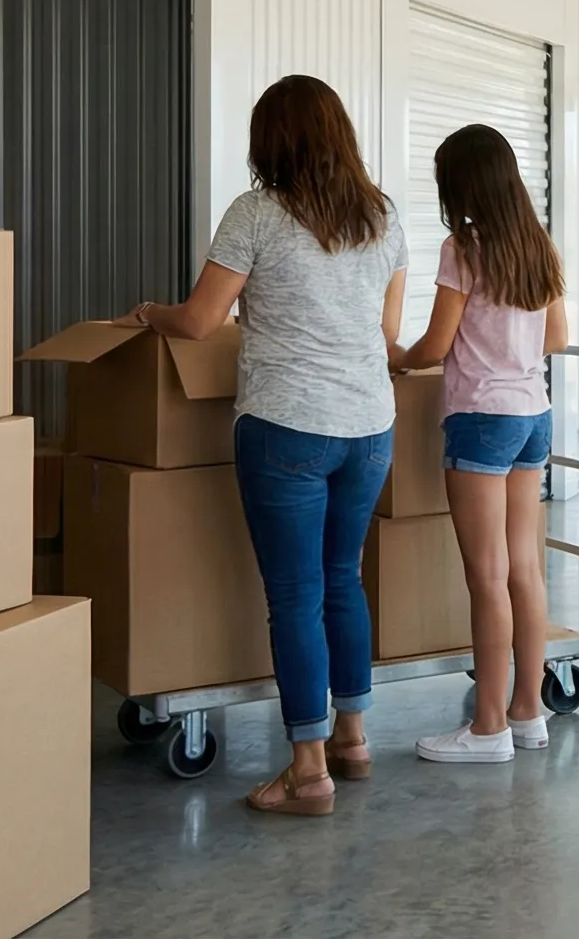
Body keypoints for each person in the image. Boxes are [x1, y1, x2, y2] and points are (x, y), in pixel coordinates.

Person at [125, 75, 407, 816]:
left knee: (295, 596)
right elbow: (383, 336)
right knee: (342, 579)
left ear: (269, 141)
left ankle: (308, 772)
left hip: (287, 426)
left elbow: (198, 321)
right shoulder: (384, 218)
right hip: (370, 426)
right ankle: (352, 740)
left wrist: (149, 312)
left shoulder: (256, 213)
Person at [407, 123, 568, 764]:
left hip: (480, 418)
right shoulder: (539, 247)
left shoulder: (462, 249)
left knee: (487, 577)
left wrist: (395, 358)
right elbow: (555, 335)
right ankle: (529, 714)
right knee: (525, 570)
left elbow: (435, 344)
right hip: (535, 415)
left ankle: (487, 729)